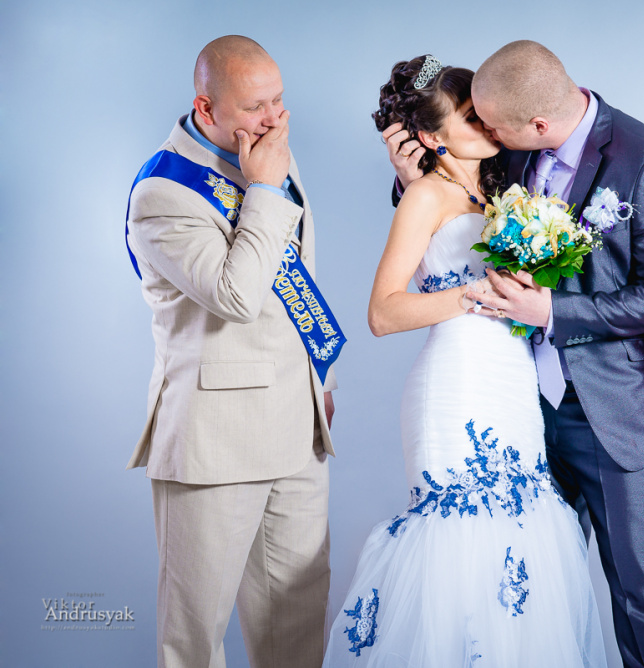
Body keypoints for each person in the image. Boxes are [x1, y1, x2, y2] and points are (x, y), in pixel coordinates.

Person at [386, 41, 644, 668]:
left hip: (613, 413)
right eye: (477, 124)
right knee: (527, 590)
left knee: (643, 593)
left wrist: (552, 312)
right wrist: (408, 177)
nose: (488, 136)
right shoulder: (510, 148)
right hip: (516, 407)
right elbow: (455, 205)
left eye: (493, 127)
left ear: (536, 124)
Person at [322, 55, 606, 667]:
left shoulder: (503, 190)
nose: (488, 124)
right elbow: (382, 313)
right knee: (461, 534)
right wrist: (471, 294)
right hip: (457, 383)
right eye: (471, 118)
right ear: (433, 138)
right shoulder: (425, 196)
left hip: (513, 381)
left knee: (522, 527)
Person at [125, 35, 339, 668]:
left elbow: (293, 275)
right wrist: (265, 190)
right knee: (194, 638)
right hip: (215, 439)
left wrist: (317, 378)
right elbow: (235, 296)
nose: (274, 118)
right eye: (254, 106)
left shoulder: (265, 152)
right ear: (206, 107)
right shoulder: (163, 192)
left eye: (278, 100)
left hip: (296, 425)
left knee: (296, 623)